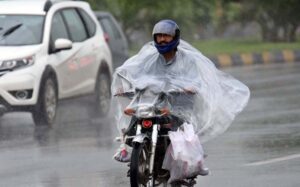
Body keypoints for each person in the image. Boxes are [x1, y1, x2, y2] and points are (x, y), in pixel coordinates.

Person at [111, 19, 250, 177]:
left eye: (166, 36)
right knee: (135, 119)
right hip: (151, 104)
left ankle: (186, 168)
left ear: (175, 38)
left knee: (180, 135)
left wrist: (189, 88)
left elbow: (195, 81)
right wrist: (124, 86)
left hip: (177, 106)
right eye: (159, 36)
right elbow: (132, 72)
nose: (162, 39)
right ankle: (129, 150)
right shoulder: (148, 59)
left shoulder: (188, 60)